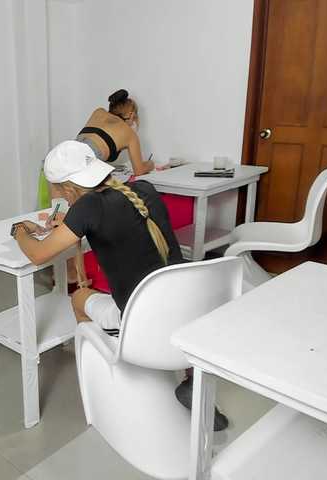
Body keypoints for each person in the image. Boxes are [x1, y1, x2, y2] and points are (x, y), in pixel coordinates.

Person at [12, 140, 229, 431]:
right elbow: (115, 221)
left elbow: (38, 254)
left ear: (67, 189)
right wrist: (71, 222)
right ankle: (190, 382)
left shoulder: (88, 208)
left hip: (142, 323)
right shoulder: (142, 189)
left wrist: (19, 230)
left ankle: (105, 377)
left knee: (79, 298)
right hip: (186, 311)